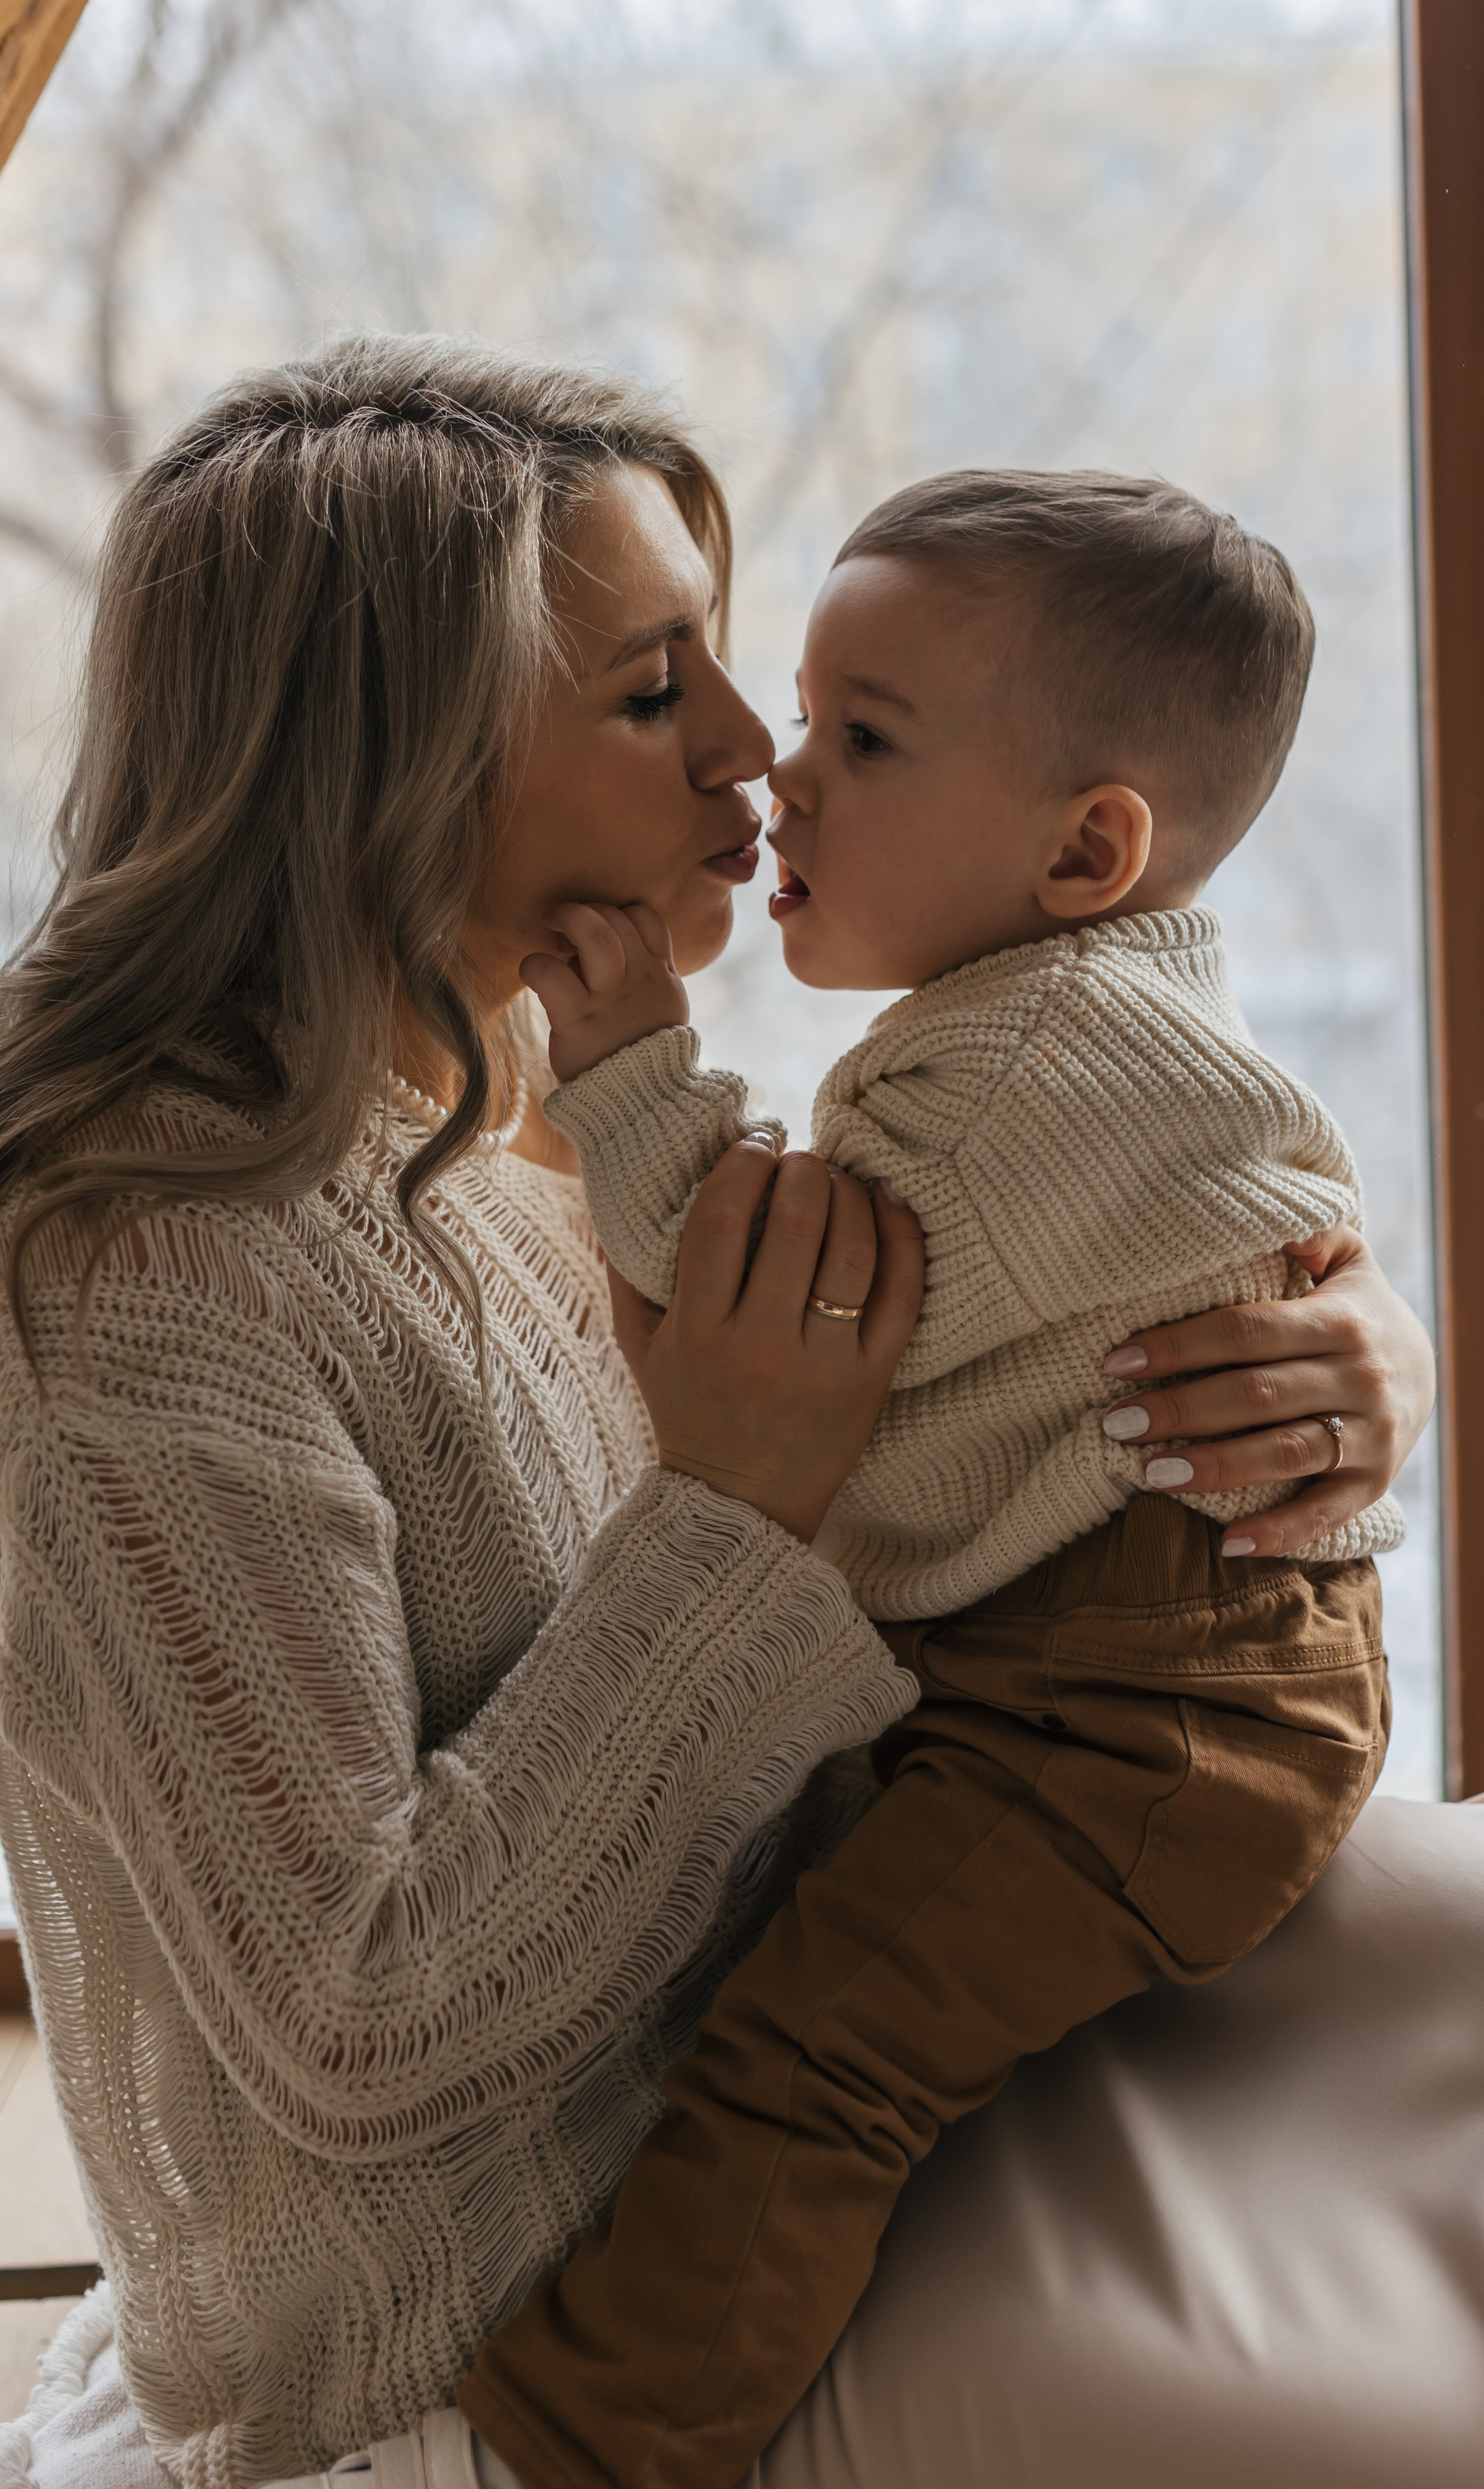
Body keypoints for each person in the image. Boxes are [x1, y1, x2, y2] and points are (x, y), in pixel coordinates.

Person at [0, 343, 1429, 2489]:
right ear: (395, 759)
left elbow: (1068, 1231)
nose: (763, 755)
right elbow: (356, 2030)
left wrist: (1335, 1346)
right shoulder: (142, 1267)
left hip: (783, 2037)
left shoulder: (511, 1100)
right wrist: (739, 1516)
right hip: (547, 2322)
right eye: (661, 691)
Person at [454, 472, 1411, 2489]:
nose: (781, 780)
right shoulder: (1071, 1014)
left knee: (814, 2059)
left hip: (1126, 1719)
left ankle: (564, 2452)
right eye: (794, 714)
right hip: (1130, 1670)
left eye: (859, 740)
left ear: (1088, 849)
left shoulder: (1018, 1077)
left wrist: (633, 1058)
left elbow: (773, 1294)